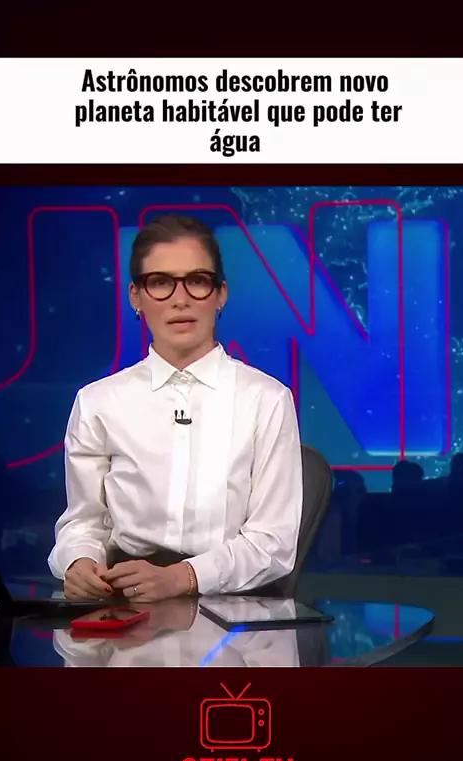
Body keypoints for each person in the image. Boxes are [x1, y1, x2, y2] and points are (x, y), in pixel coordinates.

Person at [48, 214, 303, 602]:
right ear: (136, 297)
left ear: (220, 294)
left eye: (197, 281)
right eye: (160, 282)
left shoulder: (266, 399)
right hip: (123, 601)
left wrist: (184, 577)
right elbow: (83, 522)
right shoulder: (98, 402)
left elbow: (273, 543)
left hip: (230, 609)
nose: (180, 299)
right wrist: (78, 561)